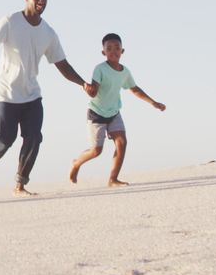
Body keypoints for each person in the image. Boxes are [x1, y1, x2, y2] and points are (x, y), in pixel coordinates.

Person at [0, 0, 88, 196]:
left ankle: (20, 184)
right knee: (6, 138)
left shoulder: (48, 32)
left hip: (31, 95)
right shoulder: (10, 22)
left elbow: (62, 64)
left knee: (33, 137)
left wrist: (83, 83)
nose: (41, 1)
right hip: (6, 94)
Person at [70, 33, 166, 187]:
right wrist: (89, 89)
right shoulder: (99, 69)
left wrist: (153, 102)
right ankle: (76, 163)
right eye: (109, 49)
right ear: (103, 52)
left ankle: (113, 179)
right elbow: (94, 90)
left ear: (122, 51)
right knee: (96, 151)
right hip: (96, 113)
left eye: (117, 48)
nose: (113, 51)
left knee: (122, 142)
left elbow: (134, 89)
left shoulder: (125, 71)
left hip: (114, 112)